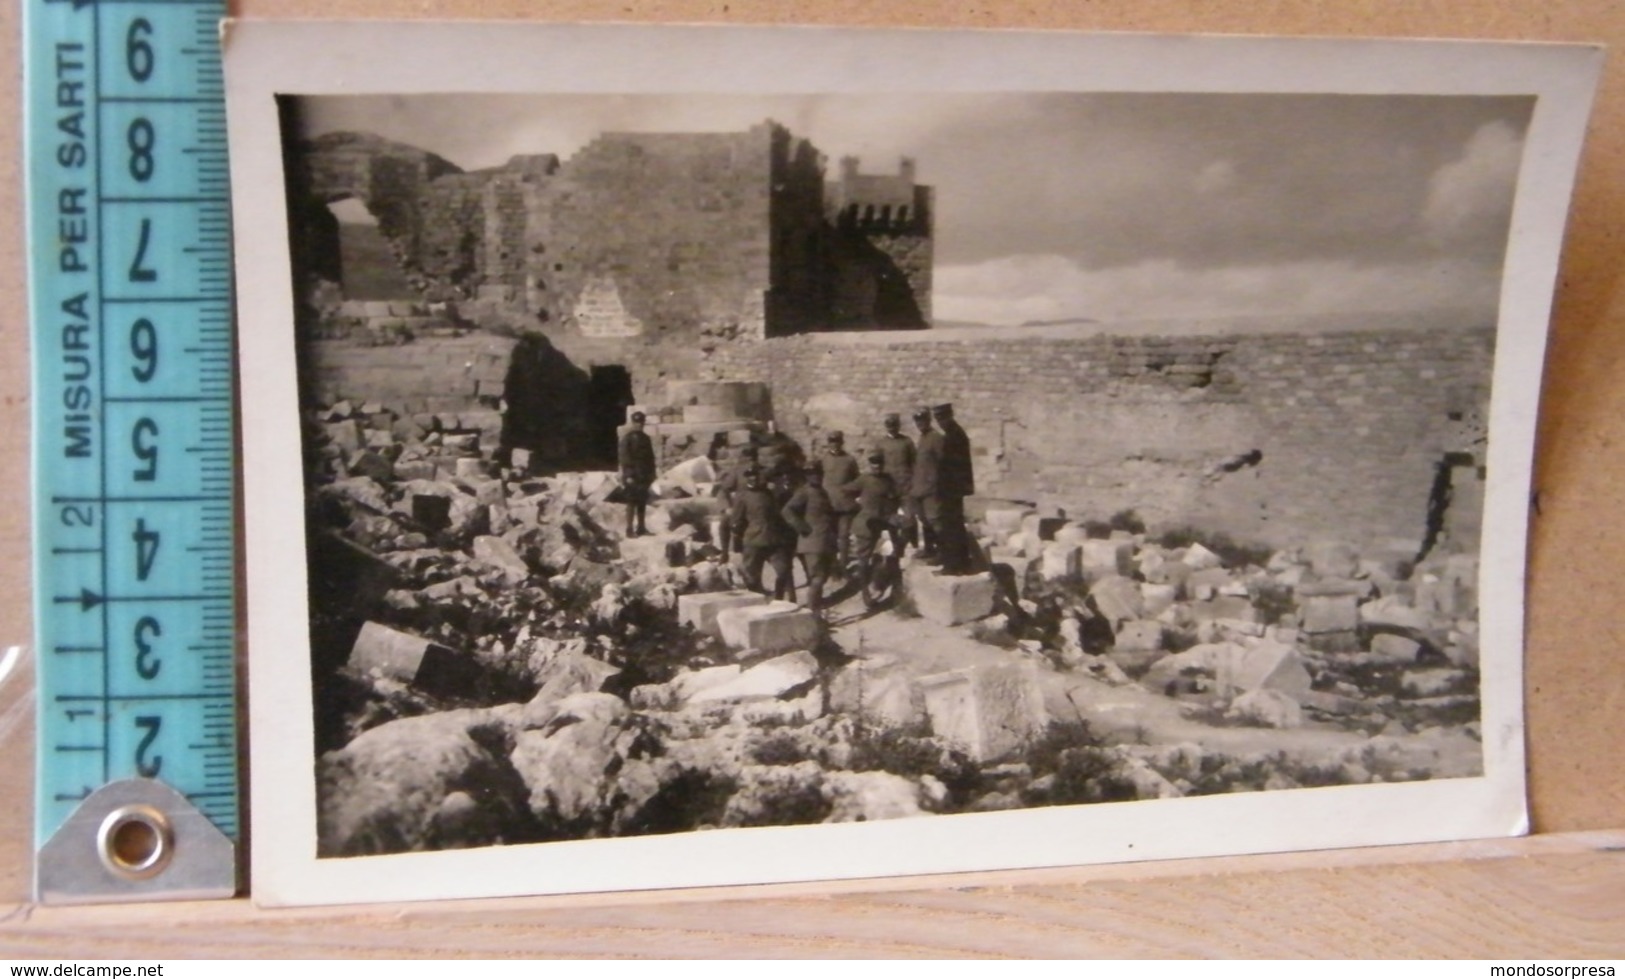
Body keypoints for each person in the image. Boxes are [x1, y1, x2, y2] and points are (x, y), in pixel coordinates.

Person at [730, 465, 795, 602]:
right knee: (752, 577)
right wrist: (738, 538)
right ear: (747, 478)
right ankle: (756, 604)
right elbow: (736, 521)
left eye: (756, 476)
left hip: (774, 539)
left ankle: (779, 599)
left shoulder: (769, 494)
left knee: (783, 571)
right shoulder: (742, 496)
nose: (754, 478)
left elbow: (778, 514)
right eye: (750, 476)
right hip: (753, 540)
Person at [782, 462, 838, 614]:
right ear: (806, 476)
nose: (816, 477)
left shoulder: (822, 492)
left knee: (822, 579)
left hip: (826, 542)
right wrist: (802, 528)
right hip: (811, 543)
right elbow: (787, 510)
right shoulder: (804, 492)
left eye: (818, 473)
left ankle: (815, 608)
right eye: (811, 474)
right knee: (817, 578)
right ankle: (813, 613)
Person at [932, 402, 976, 574]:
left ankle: (953, 565)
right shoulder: (953, 434)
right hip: (951, 490)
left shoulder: (955, 436)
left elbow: (955, 467)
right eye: (938, 419)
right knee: (954, 526)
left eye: (942, 418)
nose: (940, 422)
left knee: (951, 527)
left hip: (952, 490)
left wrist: (948, 488)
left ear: (949, 416)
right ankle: (960, 563)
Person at [850, 449, 902, 572]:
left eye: (879, 463)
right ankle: (864, 588)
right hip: (867, 523)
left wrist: (893, 515)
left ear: (883, 464)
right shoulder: (863, 479)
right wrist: (856, 505)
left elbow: (896, 496)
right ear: (870, 464)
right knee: (864, 556)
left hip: (884, 523)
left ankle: (885, 581)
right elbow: (845, 492)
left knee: (888, 553)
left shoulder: (888, 480)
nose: (877, 466)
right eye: (874, 463)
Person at [819, 430, 860, 575]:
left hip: (845, 505)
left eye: (837, 442)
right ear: (828, 443)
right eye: (831, 442)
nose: (834, 445)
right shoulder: (823, 460)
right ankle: (832, 566)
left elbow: (857, 480)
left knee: (843, 537)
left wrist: (849, 491)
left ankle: (843, 566)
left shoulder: (849, 460)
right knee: (829, 537)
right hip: (828, 506)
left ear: (841, 443)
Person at [877, 411, 917, 548]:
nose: (892, 428)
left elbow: (915, 462)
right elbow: (877, 465)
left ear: (898, 426)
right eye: (889, 426)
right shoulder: (881, 444)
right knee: (891, 518)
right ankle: (896, 544)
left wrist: (913, 481)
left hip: (906, 486)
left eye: (894, 425)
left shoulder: (907, 442)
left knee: (910, 517)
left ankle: (912, 543)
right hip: (889, 487)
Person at [910, 406, 943, 562]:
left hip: (931, 489)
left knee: (935, 520)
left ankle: (942, 553)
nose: (920, 424)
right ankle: (929, 549)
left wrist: (936, 484)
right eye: (917, 421)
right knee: (924, 521)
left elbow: (943, 463)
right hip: (920, 488)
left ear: (928, 420)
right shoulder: (923, 438)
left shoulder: (935, 438)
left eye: (922, 420)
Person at [617, 410, 657, 538]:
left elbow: (650, 457)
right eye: (636, 422)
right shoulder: (627, 439)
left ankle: (641, 527)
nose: (638, 425)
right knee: (631, 503)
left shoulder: (645, 438)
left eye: (641, 423)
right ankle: (629, 529)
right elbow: (625, 458)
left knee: (642, 503)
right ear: (632, 423)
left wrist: (652, 474)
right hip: (632, 476)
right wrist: (628, 475)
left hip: (643, 476)